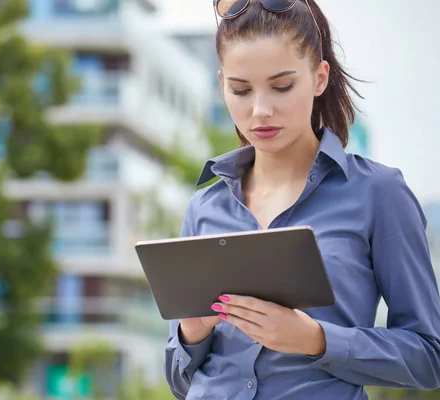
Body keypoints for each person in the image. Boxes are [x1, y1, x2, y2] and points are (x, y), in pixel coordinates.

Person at [164, 0, 440, 399]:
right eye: (240, 89)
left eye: (282, 86)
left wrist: (315, 339)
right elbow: (179, 380)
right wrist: (191, 331)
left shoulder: (379, 194)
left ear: (320, 77)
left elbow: (429, 357)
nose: (260, 111)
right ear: (222, 84)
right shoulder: (206, 207)